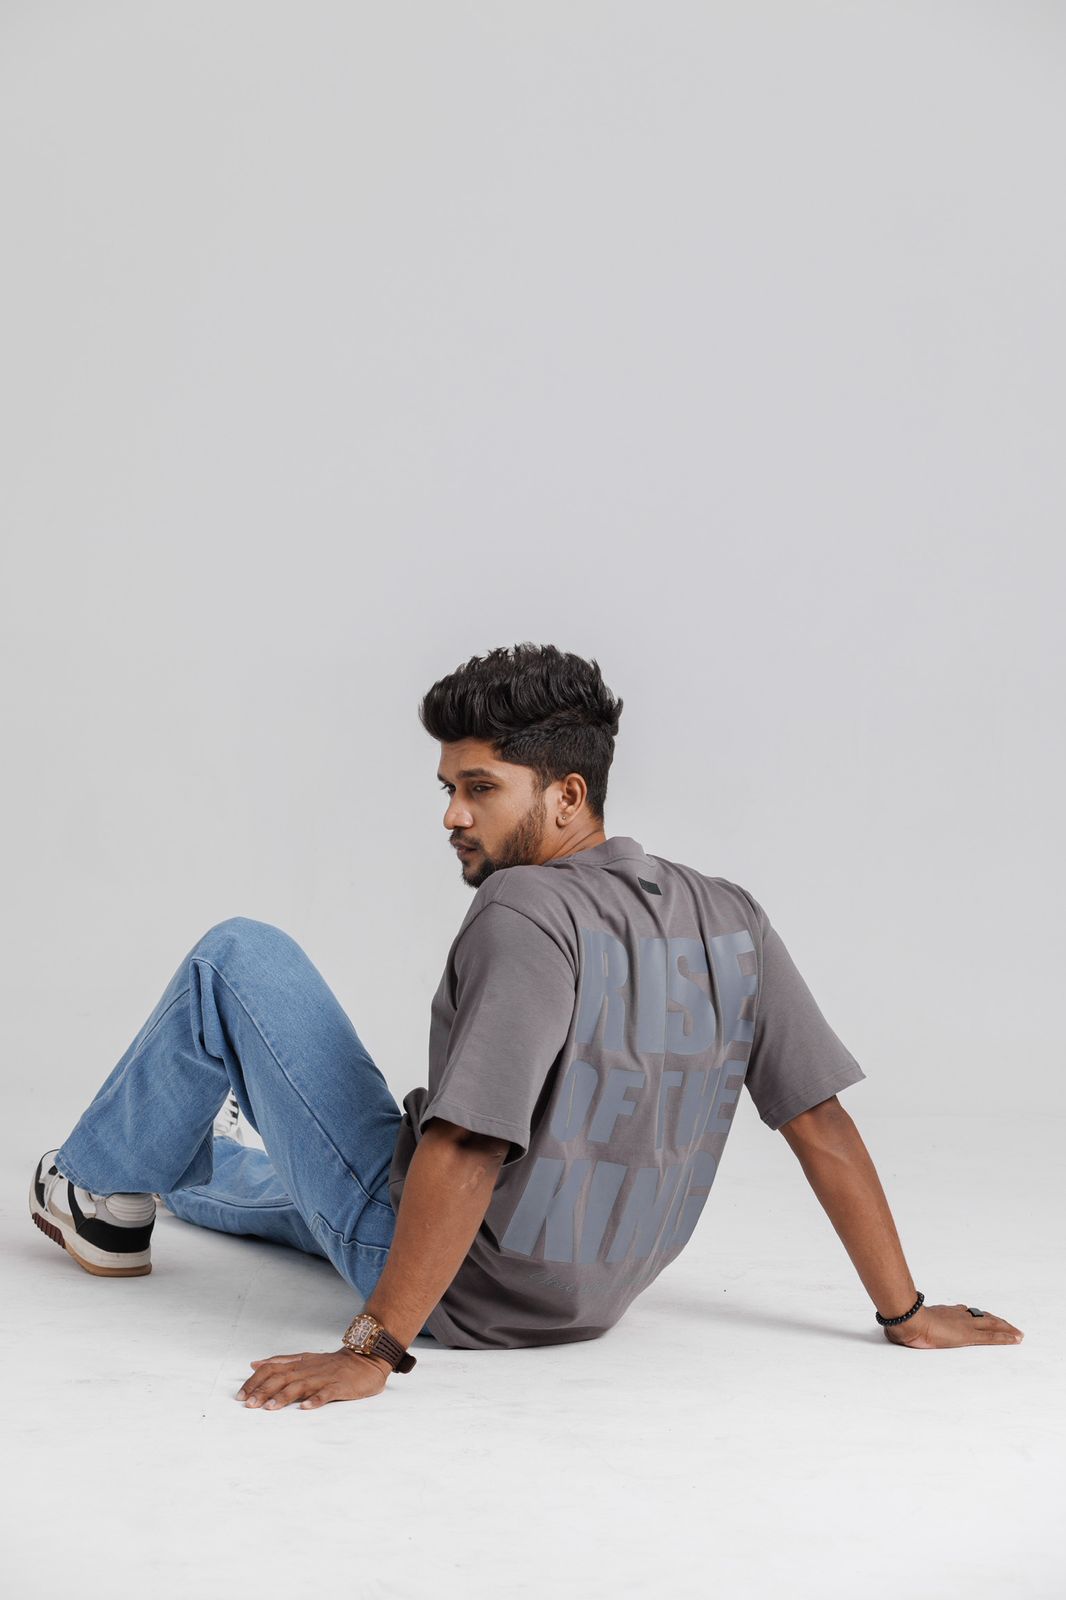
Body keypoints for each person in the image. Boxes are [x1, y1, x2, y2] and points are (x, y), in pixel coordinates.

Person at [29, 642, 1025, 1412]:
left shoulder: (523, 909)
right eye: (448, 790)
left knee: (239, 958)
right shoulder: (731, 915)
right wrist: (902, 1311)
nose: (453, 816)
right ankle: (183, 1157)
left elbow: (467, 1143)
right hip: (592, 1292)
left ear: (566, 796)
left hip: (457, 1284)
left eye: (479, 789)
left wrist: (370, 1350)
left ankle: (97, 1196)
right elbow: (818, 1121)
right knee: (269, 1173)